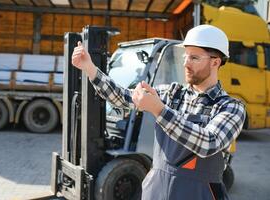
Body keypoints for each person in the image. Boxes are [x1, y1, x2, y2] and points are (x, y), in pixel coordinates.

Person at [72, 24, 246, 200]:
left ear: (215, 62)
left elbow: (208, 143)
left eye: (194, 58)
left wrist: (159, 110)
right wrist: (90, 68)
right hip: (156, 191)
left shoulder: (231, 107)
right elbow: (123, 98)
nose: (186, 63)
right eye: (185, 56)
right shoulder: (172, 94)